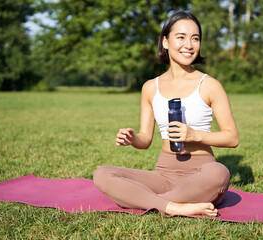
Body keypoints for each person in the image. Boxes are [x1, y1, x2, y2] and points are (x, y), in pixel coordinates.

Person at [93, 11, 239, 217]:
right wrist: (134, 139)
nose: (189, 45)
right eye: (181, 37)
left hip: (201, 172)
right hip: (163, 174)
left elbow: (232, 137)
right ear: (165, 42)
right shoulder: (151, 87)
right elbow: (145, 140)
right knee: (103, 174)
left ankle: (149, 201)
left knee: (220, 173)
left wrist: (194, 135)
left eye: (195, 38)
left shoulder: (210, 85)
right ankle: (175, 206)